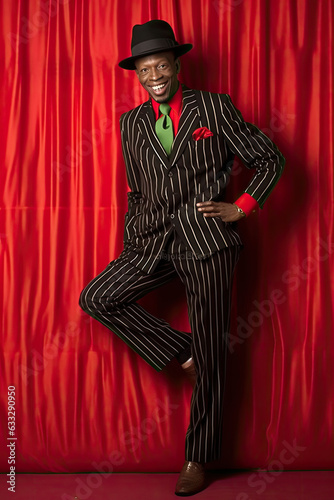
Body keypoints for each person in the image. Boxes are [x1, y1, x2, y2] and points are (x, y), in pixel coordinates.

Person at [79, 19, 285, 496]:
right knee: (97, 297)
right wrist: (135, 237)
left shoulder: (213, 107)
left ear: (177, 64)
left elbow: (270, 158)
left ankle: (197, 457)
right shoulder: (132, 123)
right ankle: (180, 348)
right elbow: (137, 191)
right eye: (144, 69)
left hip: (208, 242)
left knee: (214, 352)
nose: (154, 75)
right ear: (137, 73)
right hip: (151, 244)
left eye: (161, 65)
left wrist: (242, 207)